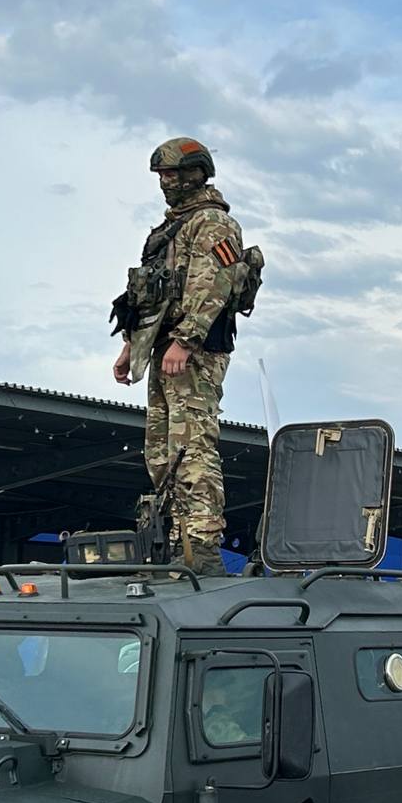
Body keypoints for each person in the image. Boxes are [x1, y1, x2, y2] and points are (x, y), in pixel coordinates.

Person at [110, 137, 251, 578]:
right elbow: (151, 294)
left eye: (171, 173)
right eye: (161, 175)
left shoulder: (213, 223)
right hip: (162, 347)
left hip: (194, 351)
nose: (165, 182)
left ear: (196, 173)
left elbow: (215, 285)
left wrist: (186, 341)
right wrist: (132, 344)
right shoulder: (170, 229)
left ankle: (202, 545)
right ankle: (176, 542)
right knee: (161, 450)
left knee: (192, 446)